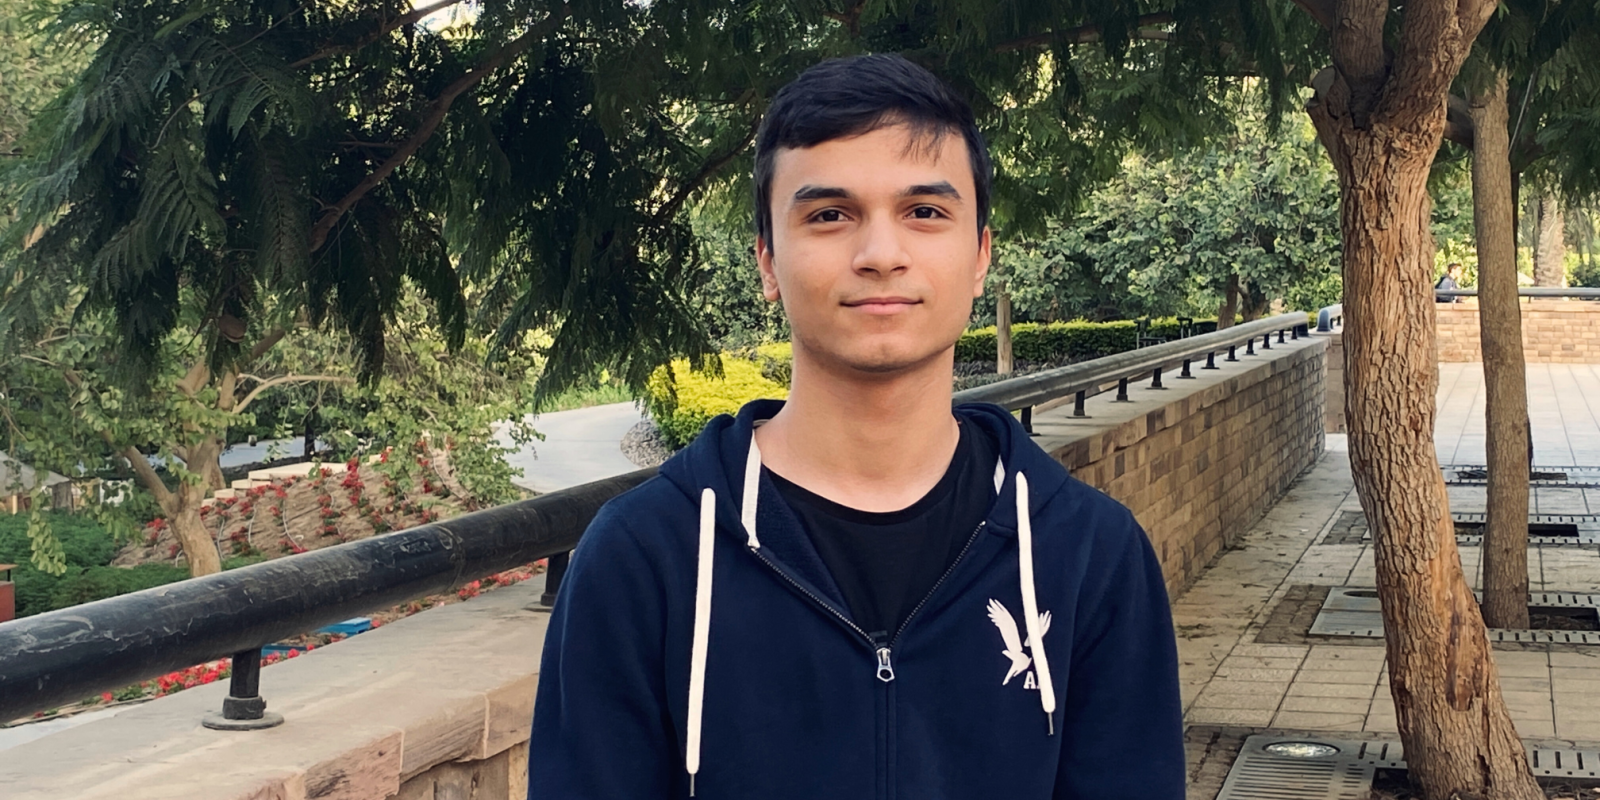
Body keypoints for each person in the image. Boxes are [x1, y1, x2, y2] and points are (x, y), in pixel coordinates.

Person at [528, 54, 1183, 799]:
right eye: (829, 215)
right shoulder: (645, 561)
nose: (880, 255)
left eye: (925, 212)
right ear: (768, 262)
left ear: (979, 256)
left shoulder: (1089, 555)